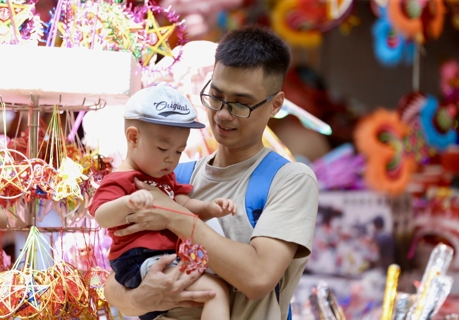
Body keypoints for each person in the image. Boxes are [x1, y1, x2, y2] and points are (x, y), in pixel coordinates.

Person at [104, 25, 319, 320]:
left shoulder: (289, 180)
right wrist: (143, 297)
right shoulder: (173, 175)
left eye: (241, 104)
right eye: (216, 96)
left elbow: (257, 277)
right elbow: (113, 286)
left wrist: (170, 215)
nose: (222, 114)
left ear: (275, 105)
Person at [89, 85, 236, 320]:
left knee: (214, 288)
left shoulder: (164, 178)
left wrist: (209, 209)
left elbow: (183, 207)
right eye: (163, 148)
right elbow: (101, 215)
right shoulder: (120, 180)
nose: (171, 159)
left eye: (179, 151)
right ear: (133, 137)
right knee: (214, 291)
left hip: (165, 257)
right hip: (138, 259)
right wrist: (129, 202)